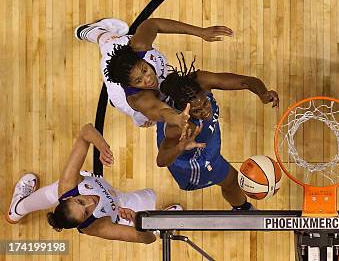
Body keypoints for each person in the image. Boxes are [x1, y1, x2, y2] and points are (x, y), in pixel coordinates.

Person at [6, 123, 181, 243]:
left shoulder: (68, 184)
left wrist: (101, 146)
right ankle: (158, 226)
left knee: (49, 194)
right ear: (84, 221)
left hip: (92, 189)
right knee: (148, 203)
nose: (91, 202)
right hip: (119, 204)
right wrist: (138, 223)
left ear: (70, 198)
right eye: (87, 212)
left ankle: (16, 209)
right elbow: (147, 240)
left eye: (81, 201)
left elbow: (86, 131)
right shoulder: (97, 226)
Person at [155, 54, 279, 210]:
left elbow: (247, 81)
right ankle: (243, 210)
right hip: (193, 163)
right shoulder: (180, 128)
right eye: (197, 111)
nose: (205, 111)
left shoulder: (201, 80)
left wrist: (263, 93)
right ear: (184, 109)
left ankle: (242, 208)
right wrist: (180, 147)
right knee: (232, 181)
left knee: (231, 180)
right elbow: (161, 160)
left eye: (205, 103)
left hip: (204, 145)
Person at [74, 17, 233, 127]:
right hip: (124, 98)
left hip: (127, 61)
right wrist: (176, 119)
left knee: (117, 41)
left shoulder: (140, 46)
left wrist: (200, 32)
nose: (148, 79)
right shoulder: (139, 98)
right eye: (139, 81)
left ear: (141, 59)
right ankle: (89, 30)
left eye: (145, 70)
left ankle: (91, 33)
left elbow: (153, 23)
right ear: (130, 84)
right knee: (108, 43)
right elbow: (162, 111)